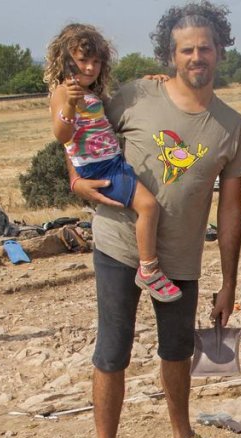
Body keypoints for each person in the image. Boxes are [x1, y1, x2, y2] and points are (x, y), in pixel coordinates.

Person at [68, 2, 241, 438]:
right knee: (112, 351)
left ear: (220, 51)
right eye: (186, 49)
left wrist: (229, 281)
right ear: (172, 55)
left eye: (205, 48)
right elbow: (81, 134)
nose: (197, 57)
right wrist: (74, 178)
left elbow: (231, 213)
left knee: (178, 350)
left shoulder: (232, 126)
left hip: (180, 259)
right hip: (118, 246)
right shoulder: (133, 96)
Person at [45, 23, 181, 303]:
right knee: (148, 206)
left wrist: (145, 82)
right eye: (83, 60)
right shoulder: (64, 92)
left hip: (112, 161)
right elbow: (62, 135)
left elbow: (109, 113)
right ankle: (149, 269)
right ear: (65, 60)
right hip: (101, 168)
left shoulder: (91, 93)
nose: (90, 67)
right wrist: (69, 106)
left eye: (96, 62)